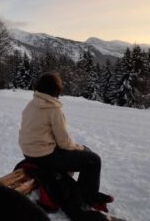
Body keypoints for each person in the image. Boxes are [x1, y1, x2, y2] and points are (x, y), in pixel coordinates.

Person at [18, 72, 112, 211]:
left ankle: (82, 192)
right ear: (56, 89)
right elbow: (64, 143)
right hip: (44, 156)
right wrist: (82, 148)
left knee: (79, 157)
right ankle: (89, 198)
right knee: (93, 160)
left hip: (28, 153)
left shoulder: (32, 104)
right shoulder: (53, 109)